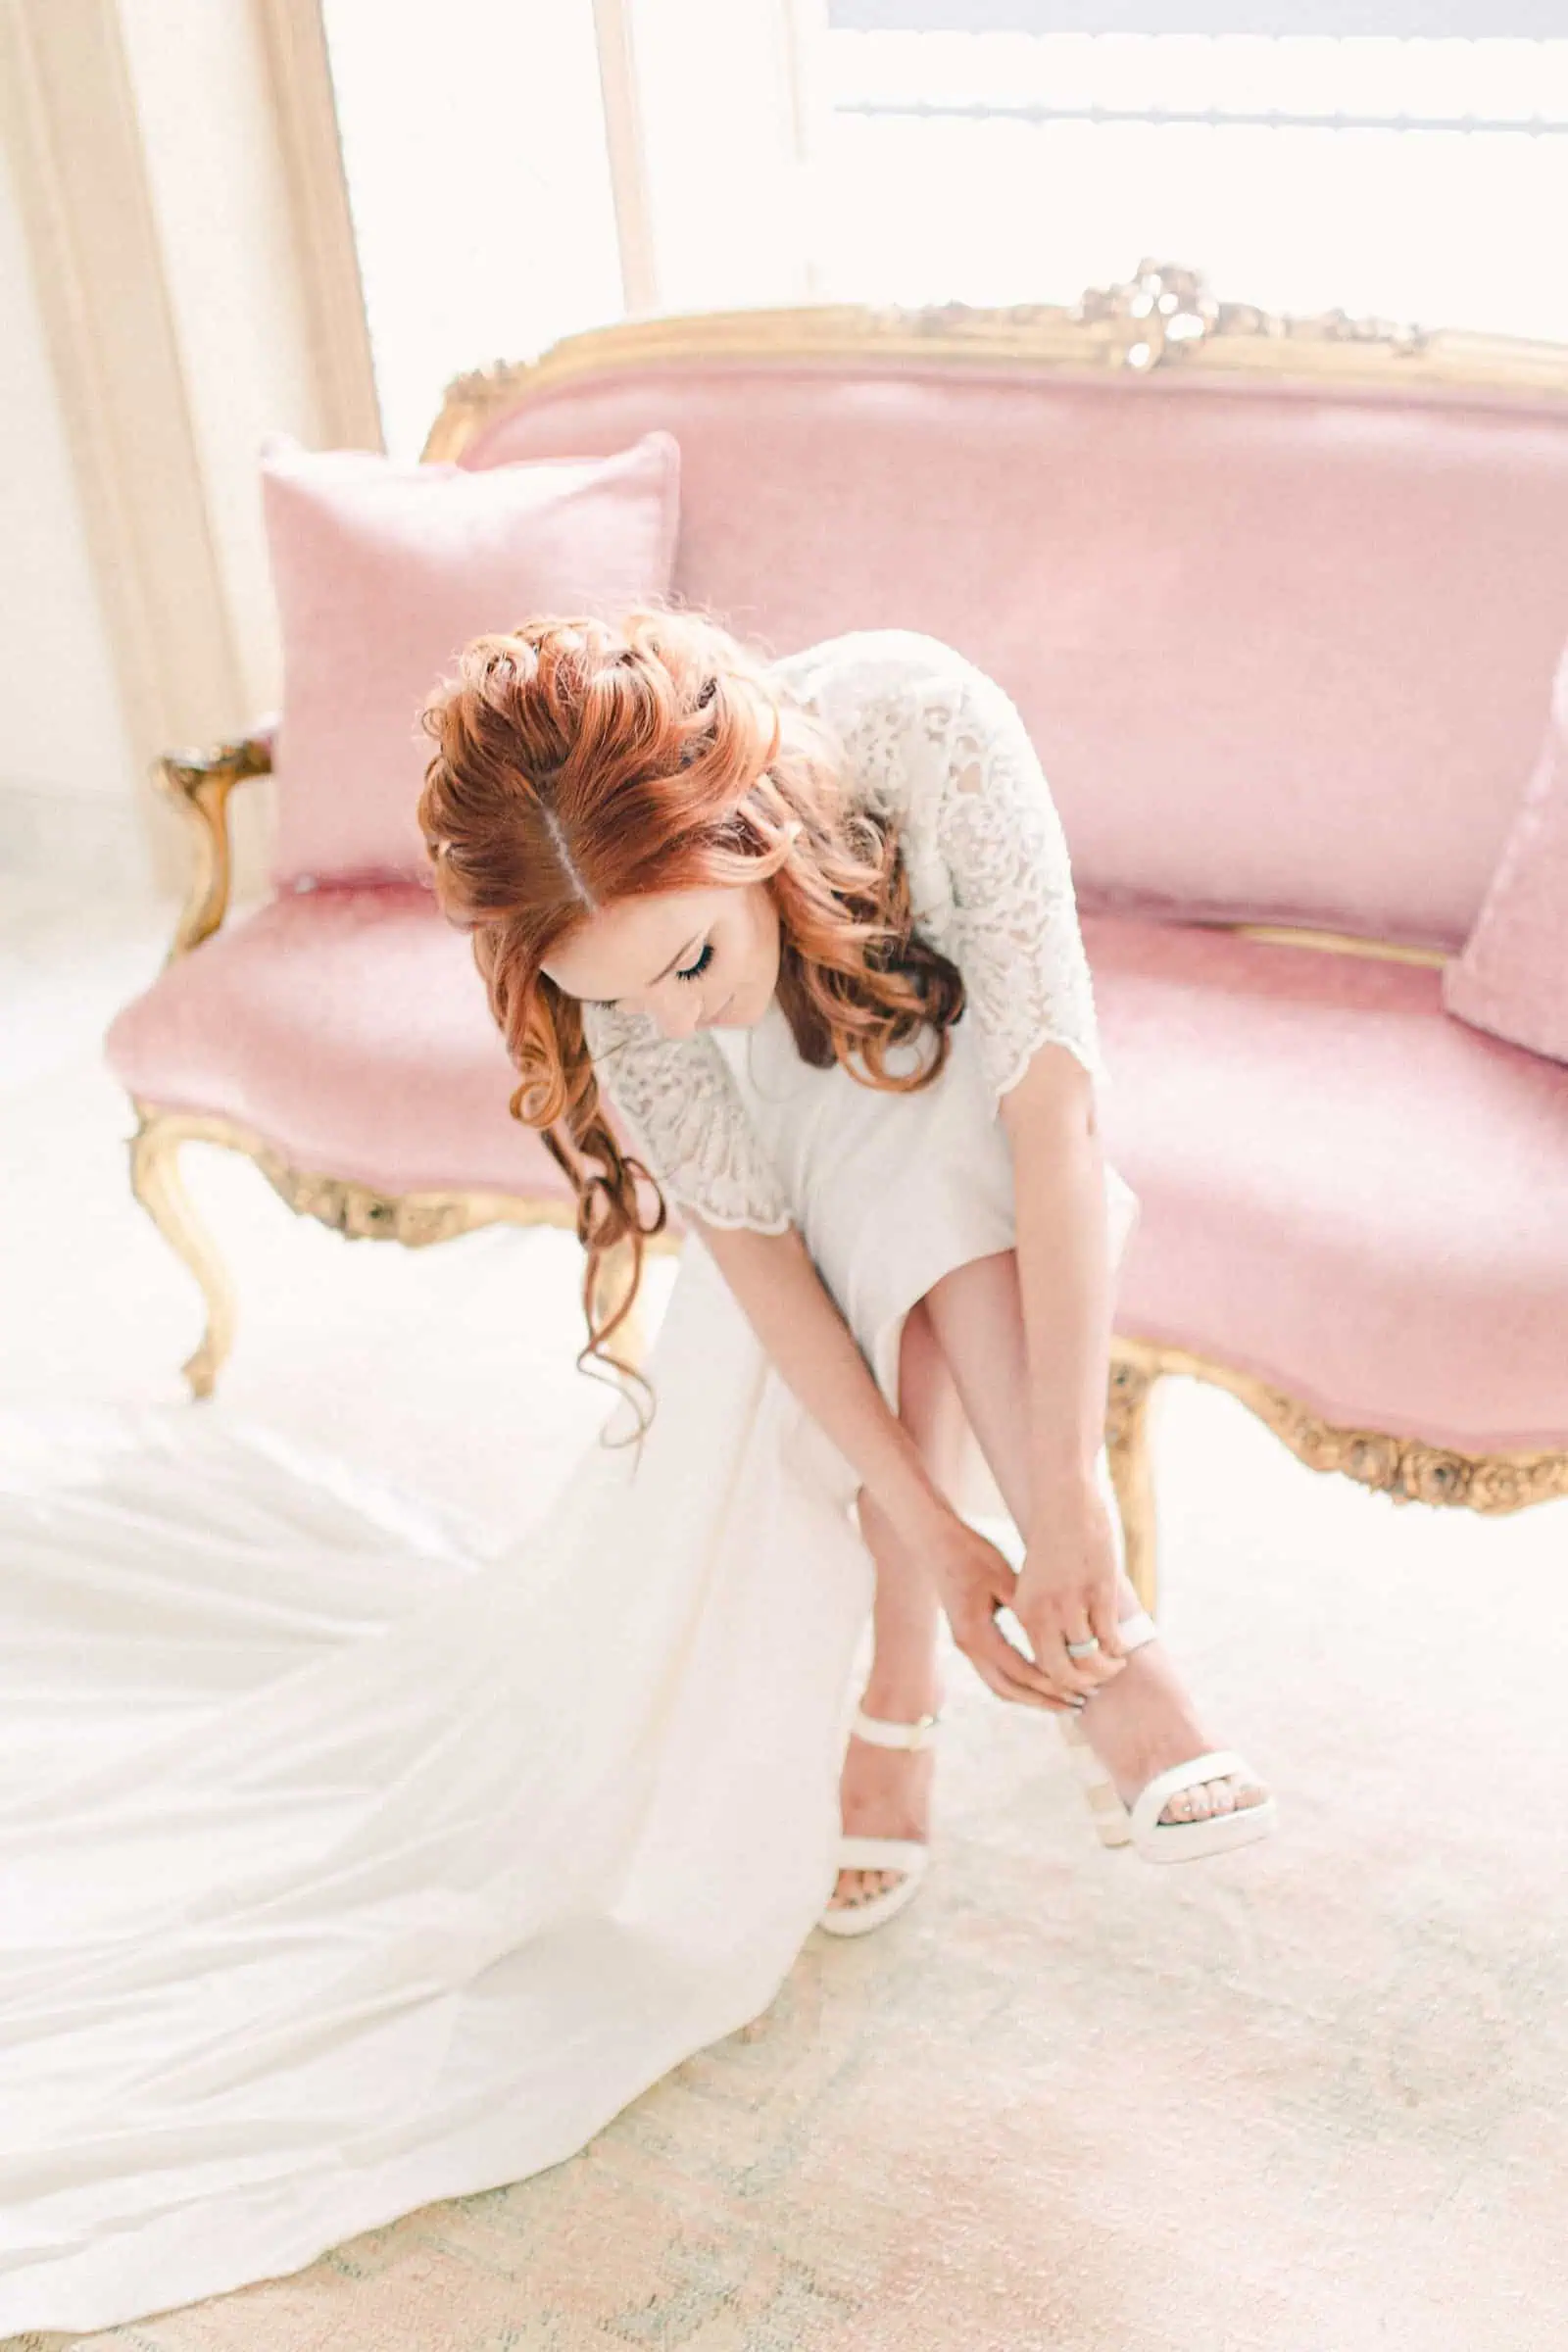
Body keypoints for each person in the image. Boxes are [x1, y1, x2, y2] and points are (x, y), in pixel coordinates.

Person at [0, 611, 1273, 2339]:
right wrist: (936, 1524)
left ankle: (931, 1692)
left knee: (942, 1153)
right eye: (613, 996)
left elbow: (1056, 1118)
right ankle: (1105, 1674)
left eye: (680, 963)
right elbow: (759, 1277)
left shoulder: (932, 730)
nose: (657, 1010)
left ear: (743, 841)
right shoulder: (626, 996)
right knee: (881, 1187)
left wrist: (1070, 1507)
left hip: (960, 1070)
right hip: (824, 1131)